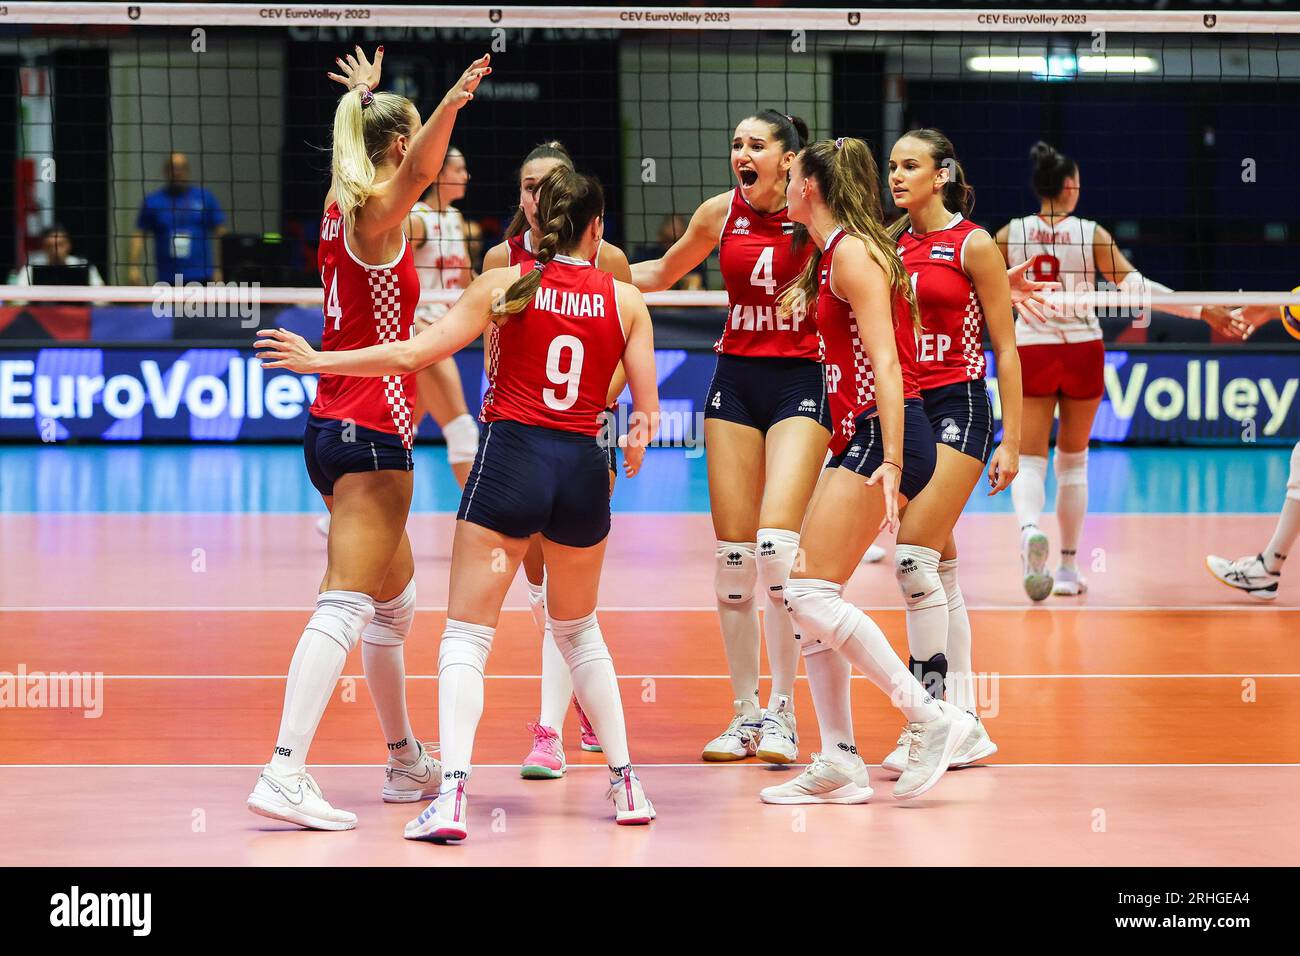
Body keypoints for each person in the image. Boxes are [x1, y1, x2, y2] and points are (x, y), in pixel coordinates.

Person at [258, 164, 661, 840]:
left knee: (467, 638)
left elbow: (412, 354)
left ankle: (450, 798)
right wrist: (636, 441)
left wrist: (320, 363)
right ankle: (627, 785)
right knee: (578, 631)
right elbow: (644, 410)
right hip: (584, 471)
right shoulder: (627, 301)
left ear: (536, 222)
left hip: (511, 464)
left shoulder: (502, 285)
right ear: (598, 228)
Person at [243, 45, 491, 831]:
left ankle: (403, 760)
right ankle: (284, 770)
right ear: (398, 149)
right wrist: (449, 100)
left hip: (333, 427)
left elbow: (394, 158)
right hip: (372, 431)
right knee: (345, 603)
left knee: (394, 607)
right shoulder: (380, 211)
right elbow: (419, 172)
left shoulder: (339, 196)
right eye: (415, 142)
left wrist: (367, 100)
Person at [757, 136, 974, 805]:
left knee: (811, 594)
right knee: (805, 592)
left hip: (889, 431)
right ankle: (840, 760)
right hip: (867, 433)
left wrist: (892, 459)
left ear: (812, 188)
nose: (782, 188)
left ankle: (930, 717)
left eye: (790, 177)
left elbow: (887, 362)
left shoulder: (851, 252)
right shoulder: (833, 255)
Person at [631, 109, 831, 765]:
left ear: (788, 158)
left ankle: (784, 712)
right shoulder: (720, 214)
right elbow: (659, 273)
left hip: (801, 379)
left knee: (777, 549)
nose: (741, 153)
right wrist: (570, 272)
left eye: (756, 145)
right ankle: (745, 714)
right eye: (735, 142)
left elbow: (880, 269)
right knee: (735, 560)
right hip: (736, 378)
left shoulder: (821, 214)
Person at [996, 141, 1236, 600]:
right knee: (1074, 462)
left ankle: (1029, 531)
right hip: (1083, 348)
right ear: (1069, 187)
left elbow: (975, 285)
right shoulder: (1091, 234)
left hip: (1032, 347)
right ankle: (1067, 568)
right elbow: (1139, 289)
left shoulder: (1010, 234)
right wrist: (1201, 308)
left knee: (1028, 458)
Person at [481, 141, 634, 777]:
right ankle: (579, 699)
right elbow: (491, 350)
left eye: (547, 186)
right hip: (517, 430)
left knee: (569, 590)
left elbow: (625, 348)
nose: (534, 197)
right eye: (525, 185)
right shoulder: (499, 260)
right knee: (544, 591)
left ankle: (549, 732)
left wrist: (584, 409)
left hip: (585, 427)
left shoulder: (608, 260)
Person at [128, 152, 227, 285]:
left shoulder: (205, 198)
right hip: (167, 278)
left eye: (181, 167)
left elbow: (221, 234)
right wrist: (133, 267)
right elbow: (139, 235)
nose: (177, 172)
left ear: (188, 170)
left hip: (202, 276)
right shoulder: (153, 202)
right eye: (172, 167)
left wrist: (221, 268)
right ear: (165, 171)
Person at [8, 224, 105, 286]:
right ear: (43, 248)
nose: (55, 249)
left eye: (60, 244)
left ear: (69, 245)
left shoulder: (83, 265)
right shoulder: (31, 268)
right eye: (49, 246)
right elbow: (18, 300)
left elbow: (101, 299)